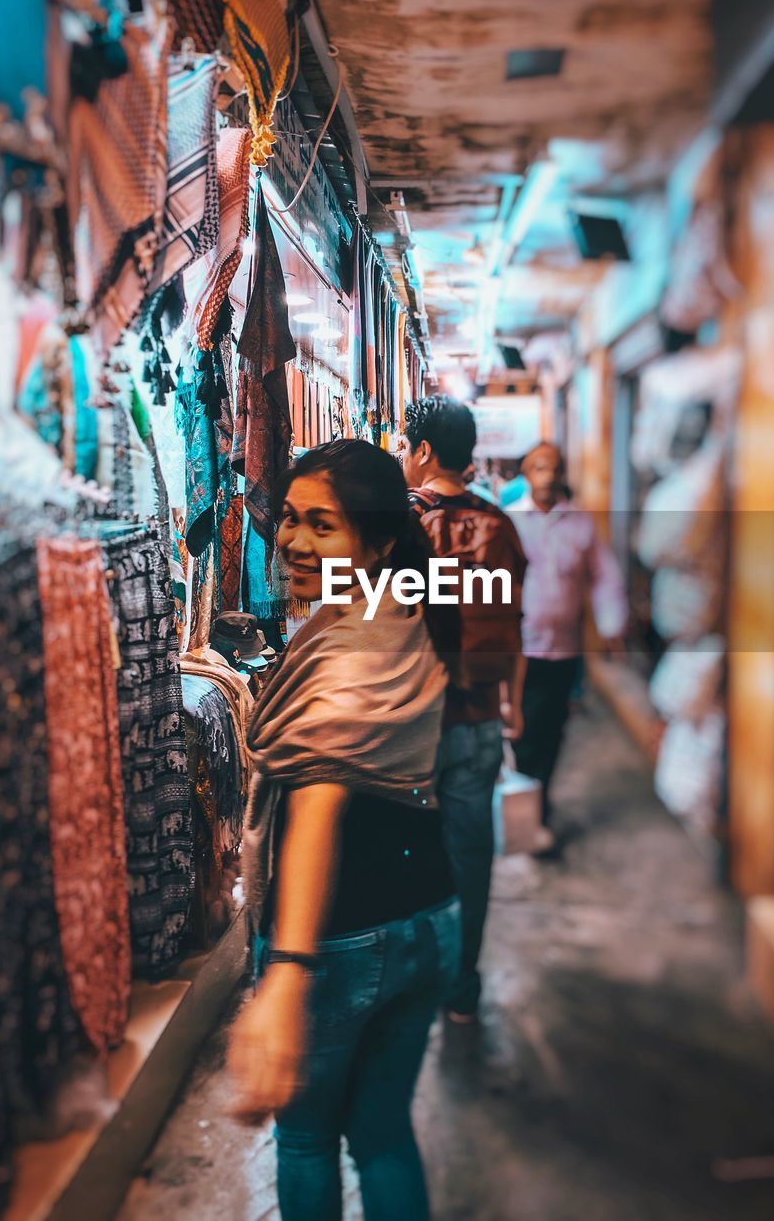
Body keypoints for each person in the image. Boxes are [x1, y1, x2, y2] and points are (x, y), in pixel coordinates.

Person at [227, 439, 461, 1221]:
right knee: (384, 1134)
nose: (291, 540)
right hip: (430, 914)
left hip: (340, 939)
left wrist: (286, 974)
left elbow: (320, 804)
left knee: (305, 1142)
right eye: (289, 520)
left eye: (322, 525)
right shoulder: (403, 612)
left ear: (379, 539)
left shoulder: (348, 648)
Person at [402, 395, 527, 1024]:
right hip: (478, 718)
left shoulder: (400, 525)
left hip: (410, 725)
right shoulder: (499, 526)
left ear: (423, 452)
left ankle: (412, 985)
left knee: (406, 858)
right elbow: (514, 624)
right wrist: (514, 706)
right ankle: (461, 988)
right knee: (468, 861)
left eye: (405, 446)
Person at [506, 442, 627, 852]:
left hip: (564, 650)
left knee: (553, 731)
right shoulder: (511, 522)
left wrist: (612, 626)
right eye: (539, 467)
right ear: (526, 473)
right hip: (521, 650)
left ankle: (538, 805)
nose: (547, 476)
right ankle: (529, 820)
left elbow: (604, 576)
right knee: (524, 734)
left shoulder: (580, 524)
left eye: (554, 468)